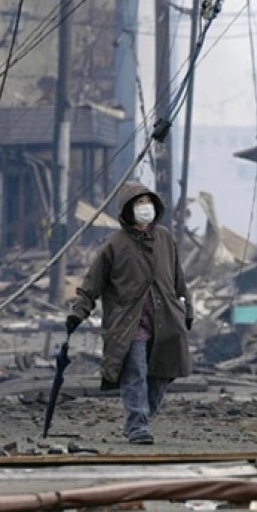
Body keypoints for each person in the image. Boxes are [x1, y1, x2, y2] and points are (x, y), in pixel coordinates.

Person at [65, 182, 193, 445]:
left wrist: (186, 309)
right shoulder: (114, 245)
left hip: (165, 321)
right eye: (138, 203)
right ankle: (137, 426)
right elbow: (92, 284)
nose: (144, 208)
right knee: (135, 372)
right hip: (129, 323)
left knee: (162, 374)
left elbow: (179, 279)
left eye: (147, 201)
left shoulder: (165, 239)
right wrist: (78, 313)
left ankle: (141, 417)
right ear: (127, 209)